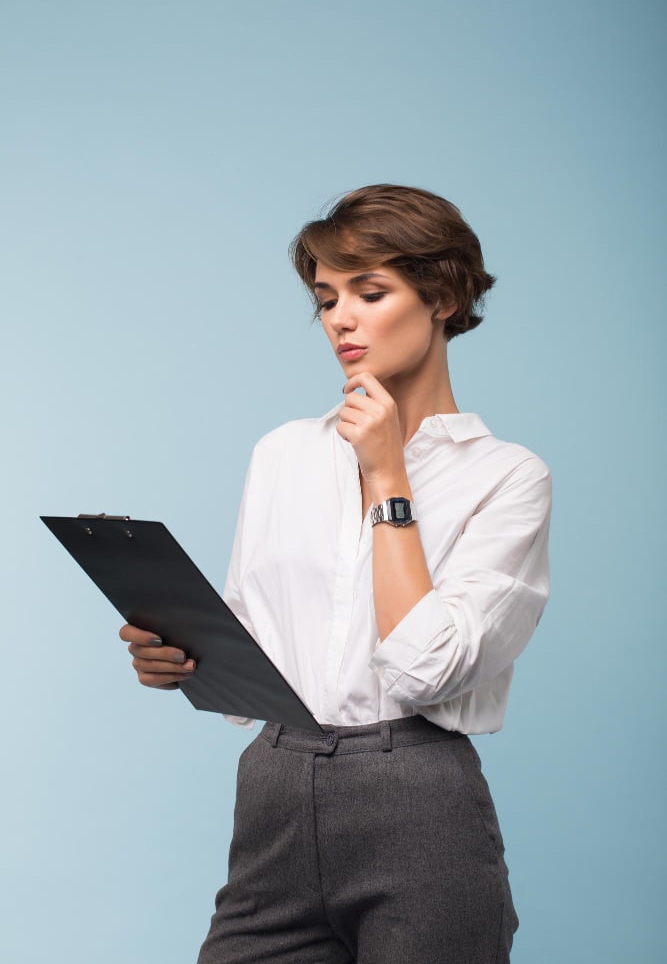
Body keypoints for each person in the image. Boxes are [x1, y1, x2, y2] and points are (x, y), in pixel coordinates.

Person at [120, 183, 552, 963]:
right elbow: (256, 637)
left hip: (417, 801)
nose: (341, 320)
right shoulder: (282, 452)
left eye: (369, 291)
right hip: (275, 792)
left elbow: (426, 670)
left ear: (443, 297)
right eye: (325, 299)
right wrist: (178, 656)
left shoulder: (506, 477)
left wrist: (387, 476)